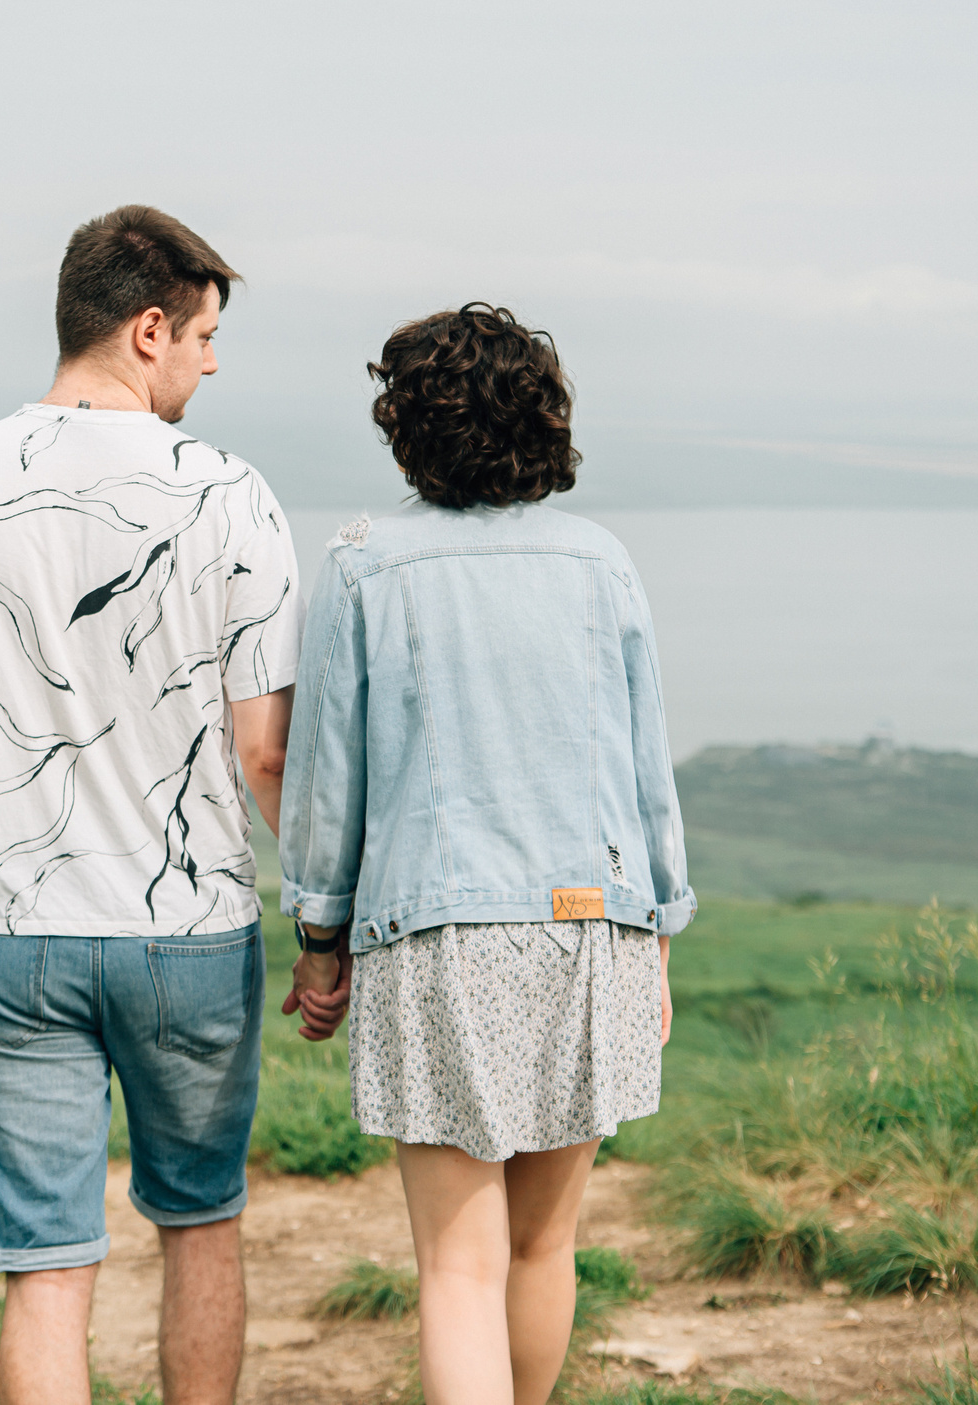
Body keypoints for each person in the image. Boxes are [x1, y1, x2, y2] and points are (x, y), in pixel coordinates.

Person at [0, 205, 313, 1405]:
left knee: (45, 1266)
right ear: (146, 327)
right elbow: (267, 756)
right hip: (190, 932)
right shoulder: (231, 494)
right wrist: (326, 907)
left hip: (11, 928)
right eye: (205, 335)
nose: (211, 362)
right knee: (200, 1224)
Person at [275, 302, 692, 1405]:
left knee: (455, 1266)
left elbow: (326, 781)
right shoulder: (601, 561)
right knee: (542, 1247)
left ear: (407, 424)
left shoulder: (366, 563)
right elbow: (646, 771)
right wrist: (655, 931)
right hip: (591, 920)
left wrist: (319, 942)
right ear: (542, 417)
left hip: (440, 933)